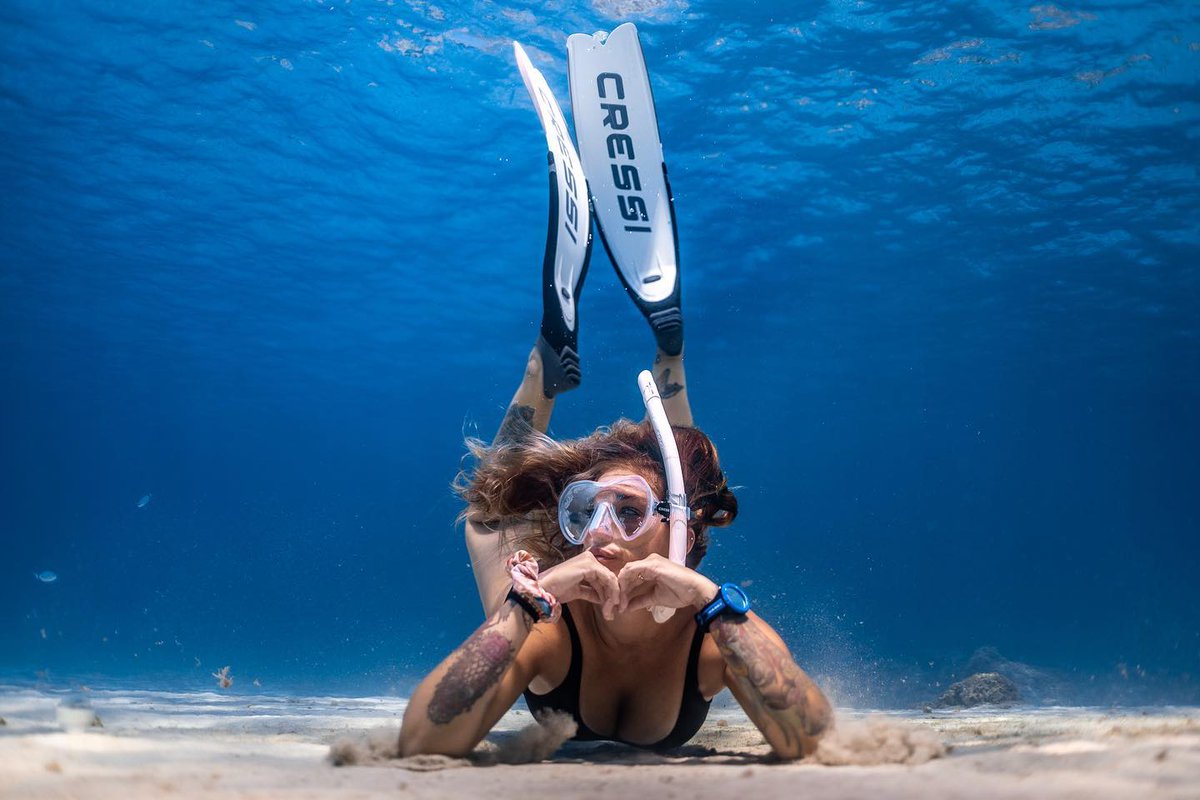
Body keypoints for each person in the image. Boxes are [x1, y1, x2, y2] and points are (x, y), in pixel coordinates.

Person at [398, 29, 831, 760]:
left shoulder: (709, 631)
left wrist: (703, 597)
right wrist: (529, 599)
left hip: (684, 549)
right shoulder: (547, 624)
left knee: (683, 475)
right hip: (561, 591)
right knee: (489, 517)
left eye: (625, 514)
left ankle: (662, 360)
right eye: (582, 511)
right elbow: (419, 744)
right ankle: (554, 359)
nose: (598, 533)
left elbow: (814, 742)